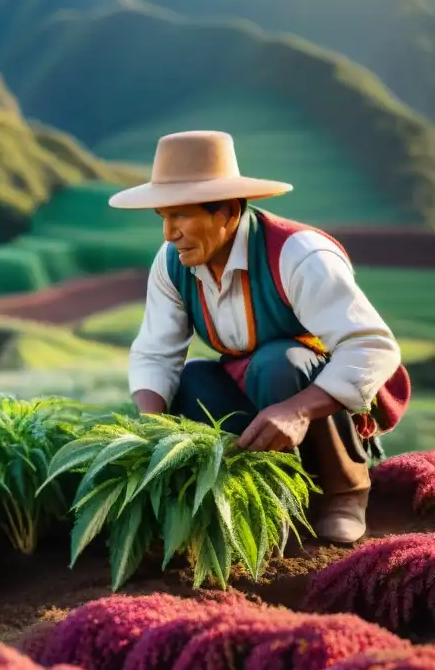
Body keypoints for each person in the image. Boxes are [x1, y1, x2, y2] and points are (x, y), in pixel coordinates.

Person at [112, 130, 411, 544]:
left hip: (312, 391)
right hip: (251, 392)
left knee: (279, 362)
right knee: (192, 382)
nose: (168, 233)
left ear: (227, 213)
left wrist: (298, 411)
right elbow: (155, 353)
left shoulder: (300, 255)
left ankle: (344, 491)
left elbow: (372, 347)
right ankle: (269, 497)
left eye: (181, 216)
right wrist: (148, 429)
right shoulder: (172, 265)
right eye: (163, 216)